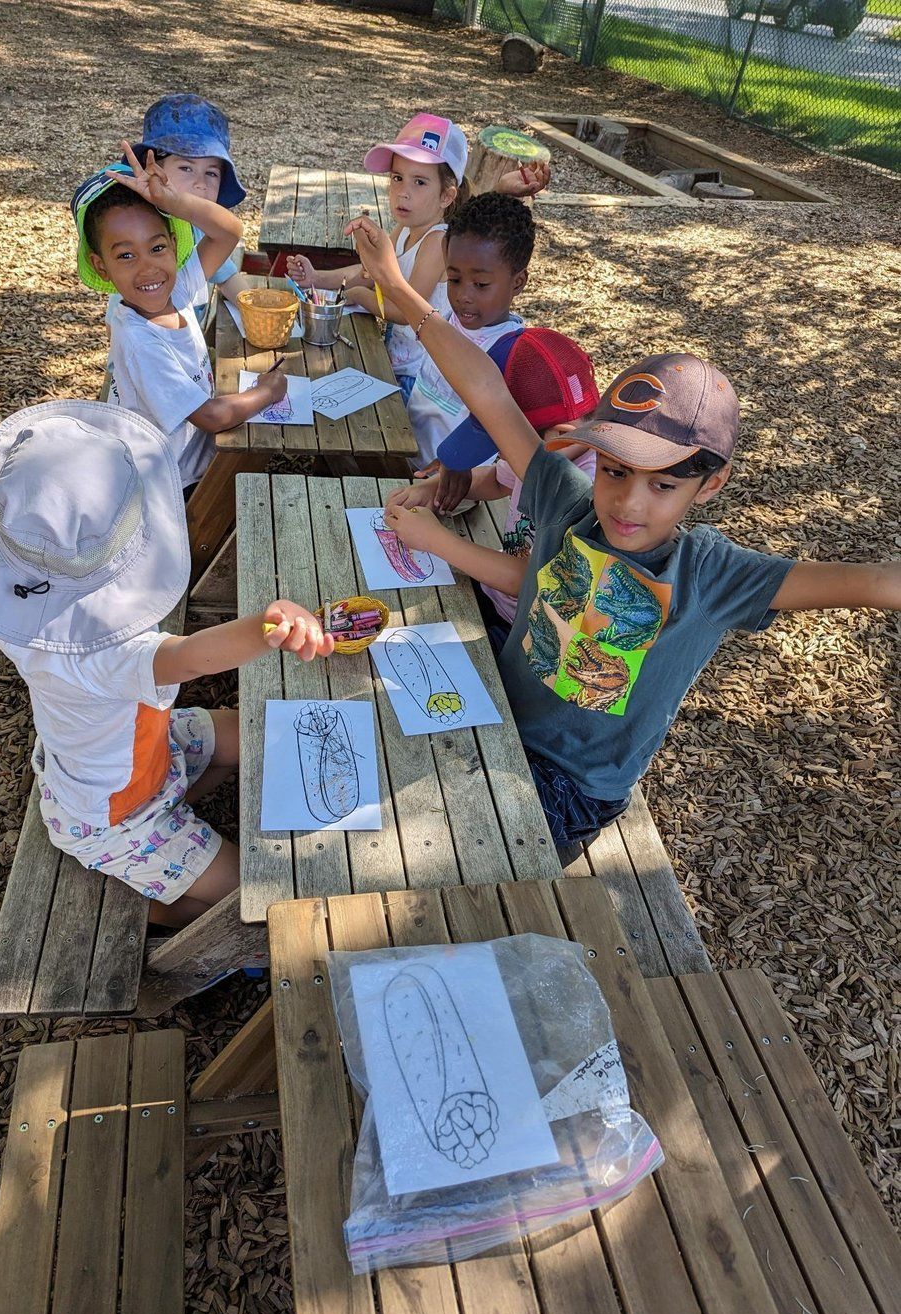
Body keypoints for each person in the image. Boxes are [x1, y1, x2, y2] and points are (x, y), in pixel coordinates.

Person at [346, 213, 901, 853]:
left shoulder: (711, 576)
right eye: (613, 470)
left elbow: (875, 580)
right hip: (495, 713)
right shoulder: (565, 499)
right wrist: (400, 288)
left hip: (573, 784)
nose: (627, 502)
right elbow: (490, 393)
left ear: (709, 485)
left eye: (662, 485)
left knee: (439, 858)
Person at [0, 322, 332, 954]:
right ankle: (145, 906)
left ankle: (179, 813)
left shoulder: (22, 609)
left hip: (127, 758)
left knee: (252, 729)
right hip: (118, 818)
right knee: (260, 887)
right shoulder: (107, 654)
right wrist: (273, 624)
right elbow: (194, 655)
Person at [72, 142, 285, 489]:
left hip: (185, 460)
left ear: (173, 244)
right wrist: (267, 392)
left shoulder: (177, 291)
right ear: (102, 267)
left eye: (157, 248)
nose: (148, 269)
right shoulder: (140, 341)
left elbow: (229, 232)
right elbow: (212, 416)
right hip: (169, 485)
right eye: (126, 256)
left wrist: (175, 202)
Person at [387, 328, 600, 643]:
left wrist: (435, 540)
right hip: (492, 596)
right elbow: (499, 479)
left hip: (523, 635)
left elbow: (523, 578)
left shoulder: (588, 492)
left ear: (557, 436)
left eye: (500, 444)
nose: (501, 455)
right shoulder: (550, 454)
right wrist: (430, 487)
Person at [287, 114, 470, 404]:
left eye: (419, 182)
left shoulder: (438, 241)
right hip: (393, 354)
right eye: (397, 178)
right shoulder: (403, 230)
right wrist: (317, 278)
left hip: (419, 376)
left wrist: (357, 294)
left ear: (446, 196)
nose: (403, 192)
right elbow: (371, 272)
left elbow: (407, 311)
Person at [404, 191, 535, 496]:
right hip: (407, 453)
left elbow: (499, 441)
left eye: (481, 285)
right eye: (454, 280)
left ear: (518, 282)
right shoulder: (451, 318)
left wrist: (457, 469)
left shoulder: (511, 352)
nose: (464, 295)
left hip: (453, 486)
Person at [119, 93, 249, 322]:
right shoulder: (139, 236)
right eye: (186, 169)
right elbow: (116, 322)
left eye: (211, 173)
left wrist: (254, 309)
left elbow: (226, 277)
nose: (201, 183)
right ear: (154, 171)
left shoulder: (200, 231)